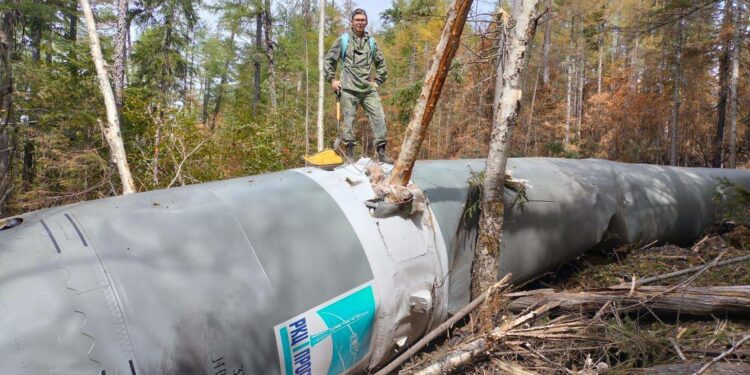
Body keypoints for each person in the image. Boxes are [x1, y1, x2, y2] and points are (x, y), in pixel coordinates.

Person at [323, 8, 393, 163]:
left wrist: (378, 81)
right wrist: (332, 80)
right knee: (348, 121)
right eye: (357, 20)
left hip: (368, 89)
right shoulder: (343, 40)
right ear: (352, 22)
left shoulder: (372, 42)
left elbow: (381, 64)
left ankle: (381, 152)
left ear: (366, 22)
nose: (360, 22)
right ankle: (349, 155)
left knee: (379, 117)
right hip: (348, 89)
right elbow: (329, 60)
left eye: (363, 20)